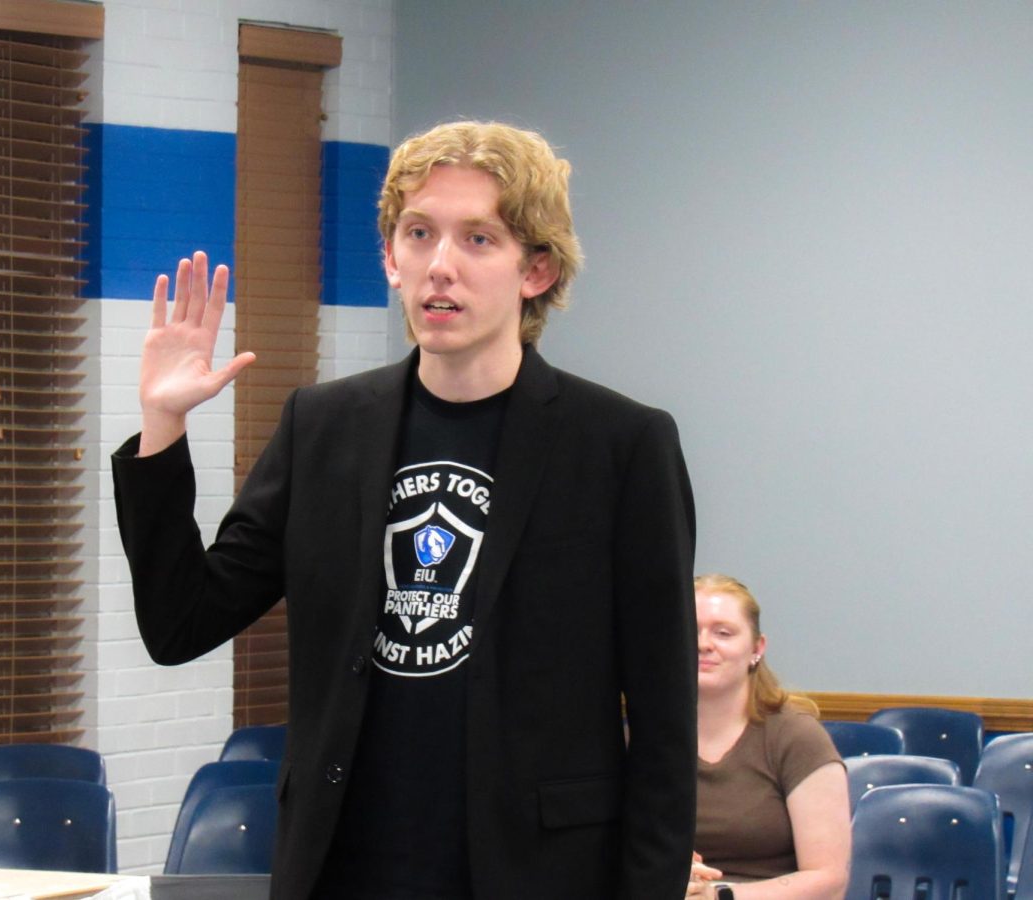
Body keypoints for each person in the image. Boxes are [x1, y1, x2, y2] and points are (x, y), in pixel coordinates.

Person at [112, 120, 698, 899]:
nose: (440, 266)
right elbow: (179, 623)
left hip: (535, 873)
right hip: (347, 865)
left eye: (479, 240)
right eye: (418, 234)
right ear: (391, 259)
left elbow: (663, 723)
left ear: (537, 269)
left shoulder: (621, 446)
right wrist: (164, 426)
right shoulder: (323, 426)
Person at [688, 574, 850, 899]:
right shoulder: (642, 739)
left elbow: (830, 879)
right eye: (689, 631)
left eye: (723, 633)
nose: (703, 643)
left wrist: (718, 895)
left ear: (756, 648)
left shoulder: (796, 738)